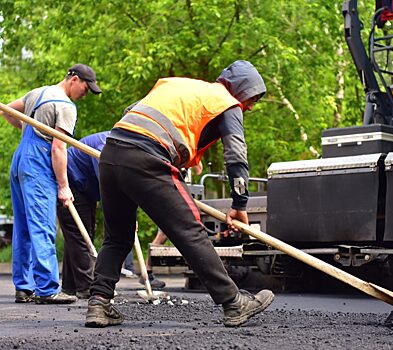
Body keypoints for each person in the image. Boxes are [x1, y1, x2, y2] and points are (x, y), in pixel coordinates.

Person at [85, 60, 274, 328]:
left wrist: (182, 154)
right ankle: (233, 302)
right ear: (240, 90)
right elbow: (236, 155)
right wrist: (239, 203)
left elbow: (134, 114)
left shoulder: (178, 84)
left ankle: (98, 304)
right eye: (252, 98)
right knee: (191, 231)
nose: (251, 106)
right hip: (147, 158)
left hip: (112, 154)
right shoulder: (226, 102)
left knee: (117, 238)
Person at [1, 64, 101, 304]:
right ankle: (47, 289)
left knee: (24, 226)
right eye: (86, 89)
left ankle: (24, 287)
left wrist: (28, 129)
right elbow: (59, 148)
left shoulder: (37, 93)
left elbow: (6, 112)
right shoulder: (66, 106)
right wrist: (64, 186)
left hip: (21, 158)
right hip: (38, 160)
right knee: (43, 225)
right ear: (74, 80)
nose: (85, 95)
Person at [56, 131, 109, 299]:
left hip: (85, 190)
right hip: (70, 184)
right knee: (80, 235)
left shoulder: (122, 148)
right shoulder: (105, 147)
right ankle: (87, 286)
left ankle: (70, 286)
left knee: (79, 236)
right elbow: (108, 186)